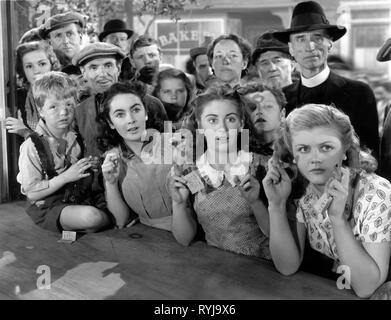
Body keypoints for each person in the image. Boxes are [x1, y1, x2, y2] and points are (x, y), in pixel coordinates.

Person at [262, 103, 391, 298]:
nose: (315, 158)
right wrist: (276, 206)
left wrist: (338, 220)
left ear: (345, 149)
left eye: (326, 147)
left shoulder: (376, 193)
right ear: (293, 155)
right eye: (304, 149)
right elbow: (287, 266)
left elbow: (366, 288)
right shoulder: (304, 196)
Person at [170, 85, 270, 259]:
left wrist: (256, 203)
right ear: (200, 125)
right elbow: (184, 239)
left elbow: (275, 234)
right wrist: (178, 205)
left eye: (230, 119)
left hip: (261, 268)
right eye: (212, 120)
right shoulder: (192, 172)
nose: (222, 128)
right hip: (216, 267)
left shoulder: (261, 166)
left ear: (241, 123)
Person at [273, 1, 380, 160]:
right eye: (301, 39)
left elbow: (370, 153)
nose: (310, 46)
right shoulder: (282, 98)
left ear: (330, 43)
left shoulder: (359, 93)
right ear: (291, 49)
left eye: (318, 37)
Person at [16, 71, 113, 233]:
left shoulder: (77, 136)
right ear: (40, 110)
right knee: (93, 217)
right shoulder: (31, 146)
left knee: (112, 204)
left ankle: (94, 222)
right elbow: (32, 194)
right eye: (53, 107)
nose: (63, 113)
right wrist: (66, 177)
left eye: (68, 105)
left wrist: (89, 167)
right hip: (48, 205)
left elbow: (81, 177)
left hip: (79, 198)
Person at [72, 42, 168, 158]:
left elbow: (168, 150)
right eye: (94, 68)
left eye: (108, 65)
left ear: (118, 68)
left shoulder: (151, 103)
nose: (102, 74)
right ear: (84, 73)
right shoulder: (79, 112)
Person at [98, 82, 172, 230]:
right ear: (110, 123)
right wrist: (111, 183)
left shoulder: (172, 144)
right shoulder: (113, 160)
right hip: (147, 238)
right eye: (120, 114)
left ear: (145, 114)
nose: (130, 119)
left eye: (136, 110)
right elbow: (120, 220)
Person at [6, 41, 60, 138]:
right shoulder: (15, 98)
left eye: (42, 64)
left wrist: (25, 132)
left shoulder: (64, 95)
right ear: (23, 70)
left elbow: (60, 145)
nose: (36, 71)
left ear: (52, 65)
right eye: (29, 66)